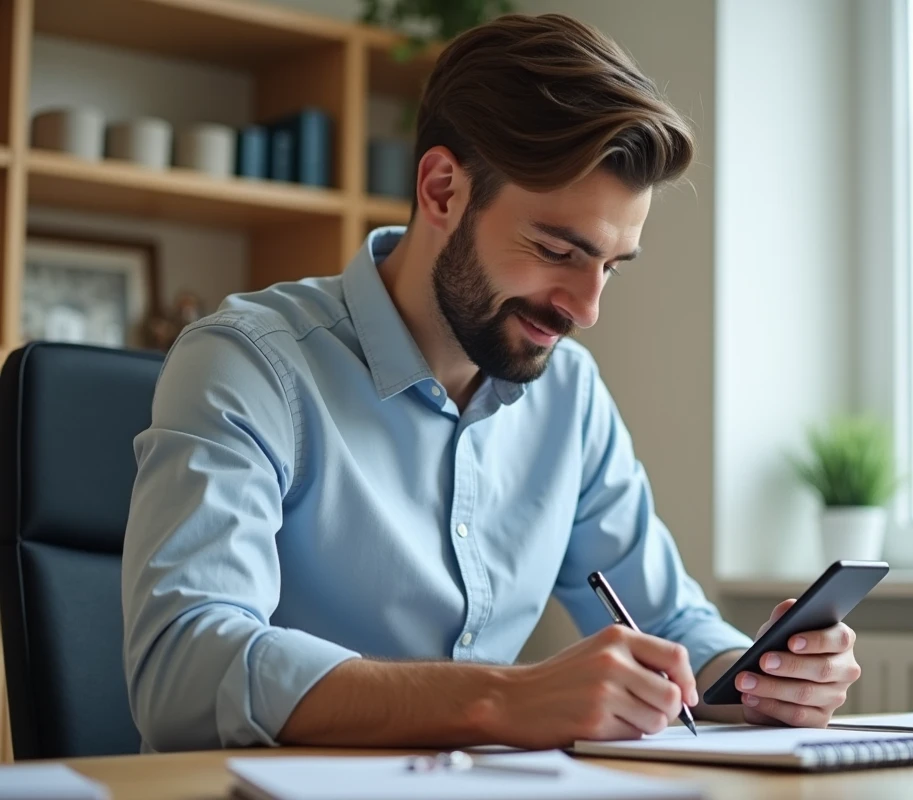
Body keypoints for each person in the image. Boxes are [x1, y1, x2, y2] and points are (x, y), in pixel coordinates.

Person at [121, 12, 861, 753]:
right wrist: (503, 700)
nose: (587, 309)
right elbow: (185, 668)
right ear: (443, 190)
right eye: (555, 249)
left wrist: (759, 682)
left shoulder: (568, 396)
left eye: (609, 266)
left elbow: (667, 625)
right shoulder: (247, 364)